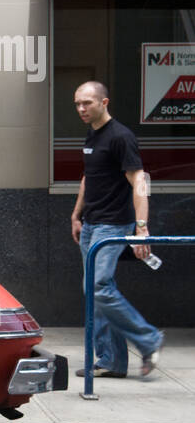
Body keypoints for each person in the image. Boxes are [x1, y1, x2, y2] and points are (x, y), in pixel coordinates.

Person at [69, 81, 163, 394]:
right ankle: (111, 359)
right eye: (78, 104)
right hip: (92, 224)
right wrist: (76, 214)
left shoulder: (121, 136)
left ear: (104, 102)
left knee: (98, 286)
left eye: (88, 103)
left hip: (113, 227)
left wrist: (141, 227)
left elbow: (139, 181)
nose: (82, 109)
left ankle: (149, 339)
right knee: (96, 293)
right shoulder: (92, 134)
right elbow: (88, 178)